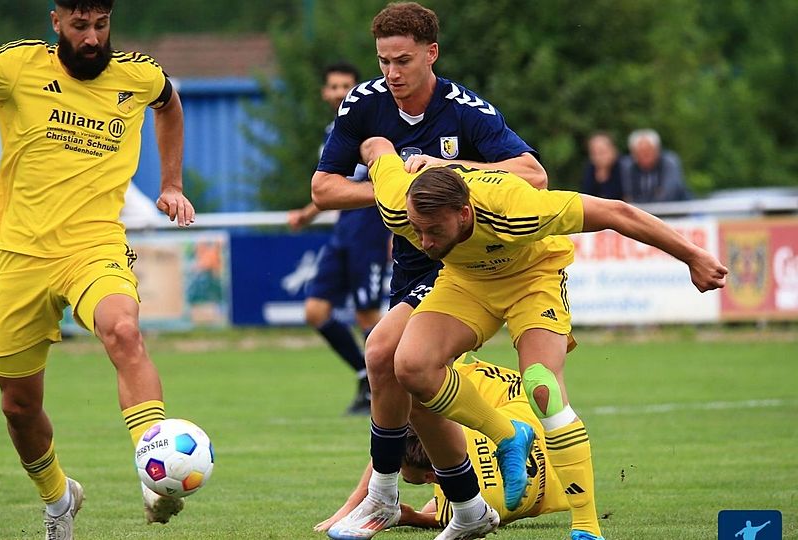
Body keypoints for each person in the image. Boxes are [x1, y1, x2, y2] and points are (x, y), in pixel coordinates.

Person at [0, 1, 196, 538]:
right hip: (21, 257)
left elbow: (169, 105)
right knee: (17, 406)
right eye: (80, 27)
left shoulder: (138, 74)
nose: (92, 39)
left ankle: (155, 466)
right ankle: (59, 497)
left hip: (95, 244)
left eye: (101, 26)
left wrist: (171, 183)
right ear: (56, 21)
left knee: (124, 330)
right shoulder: (16, 66)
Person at [356, 135, 728, 540]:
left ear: (464, 214)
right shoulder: (399, 203)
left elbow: (616, 212)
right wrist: (382, 145)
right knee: (410, 366)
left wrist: (693, 256)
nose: (424, 242)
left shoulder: (517, 208)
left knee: (542, 386)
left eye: (434, 230)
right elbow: (376, 145)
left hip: (532, 281)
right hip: (466, 283)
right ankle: (507, 434)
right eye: (418, 229)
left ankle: (586, 528)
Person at [312, 3, 548, 540]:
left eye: (403, 61)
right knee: (413, 388)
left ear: (431, 53)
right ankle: (468, 510)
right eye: (383, 61)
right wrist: (398, 192)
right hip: (410, 263)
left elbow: (533, 174)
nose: (391, 73)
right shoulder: (364, 104)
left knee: (381, 353)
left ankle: (383, 498)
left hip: (460, 264)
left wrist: (449, 171)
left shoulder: (464, 109)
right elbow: (323, 189)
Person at [316, 356, 571, 535]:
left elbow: (432, 514)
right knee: (423, 388)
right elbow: (405, 440)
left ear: (431, 475)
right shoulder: (458, 450)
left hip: (535, 429)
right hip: (519, 399)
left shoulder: (472, 499)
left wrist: (408, 517)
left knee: (417, 379)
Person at [288, 63, 392, 416]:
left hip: (371, 227)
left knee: (367, 314)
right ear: (324, 92)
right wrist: (307, 213)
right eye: (333, 86)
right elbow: (331, 188)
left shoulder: (372, 130)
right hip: (343, 228)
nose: (338, 92)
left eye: (345, 86)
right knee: (315, 311)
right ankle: (366, 373)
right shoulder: (333, 132)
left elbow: (387, 185)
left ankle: (381, 386)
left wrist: (396, 230)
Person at [620, 128, 691, 203]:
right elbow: (628, 194)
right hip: (641, 211)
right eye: (640, 152)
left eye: (648, 151)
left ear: (657, 150)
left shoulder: (670, 162)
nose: (644, 155)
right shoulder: (627, 166)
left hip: (676, 210)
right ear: (633, 153)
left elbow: (669, 193)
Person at [580, 132, 623, 200]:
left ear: (613, 150)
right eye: (594, 153)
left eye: (602, 152)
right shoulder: (590, 169)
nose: (598, 157)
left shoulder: (625, 168)